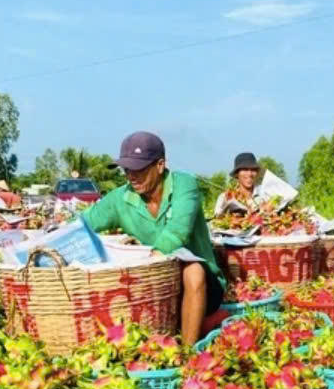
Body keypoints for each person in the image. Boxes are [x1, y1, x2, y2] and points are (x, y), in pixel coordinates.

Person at [80, 131, 227, 345]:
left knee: (192, 270)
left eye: (138, 169)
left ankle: (187, 354)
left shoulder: (183, 185)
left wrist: (151, 260)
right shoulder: (121, 198)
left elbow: (178, 231)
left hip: (202, 285)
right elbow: (84, 223)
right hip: (154, 286)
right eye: (127, 169)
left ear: (160, 165)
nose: (131, 176)